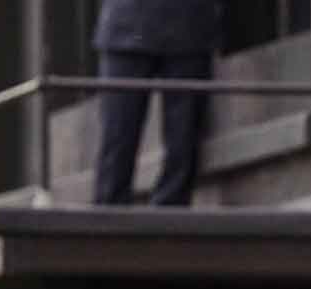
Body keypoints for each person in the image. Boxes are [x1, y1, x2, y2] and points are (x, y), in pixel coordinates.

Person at [91, 0, 224, 207]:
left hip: (183, 27)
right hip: (134, 27)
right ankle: (114, 214)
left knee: (182, 139)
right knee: (120, 137)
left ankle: (163, 214)